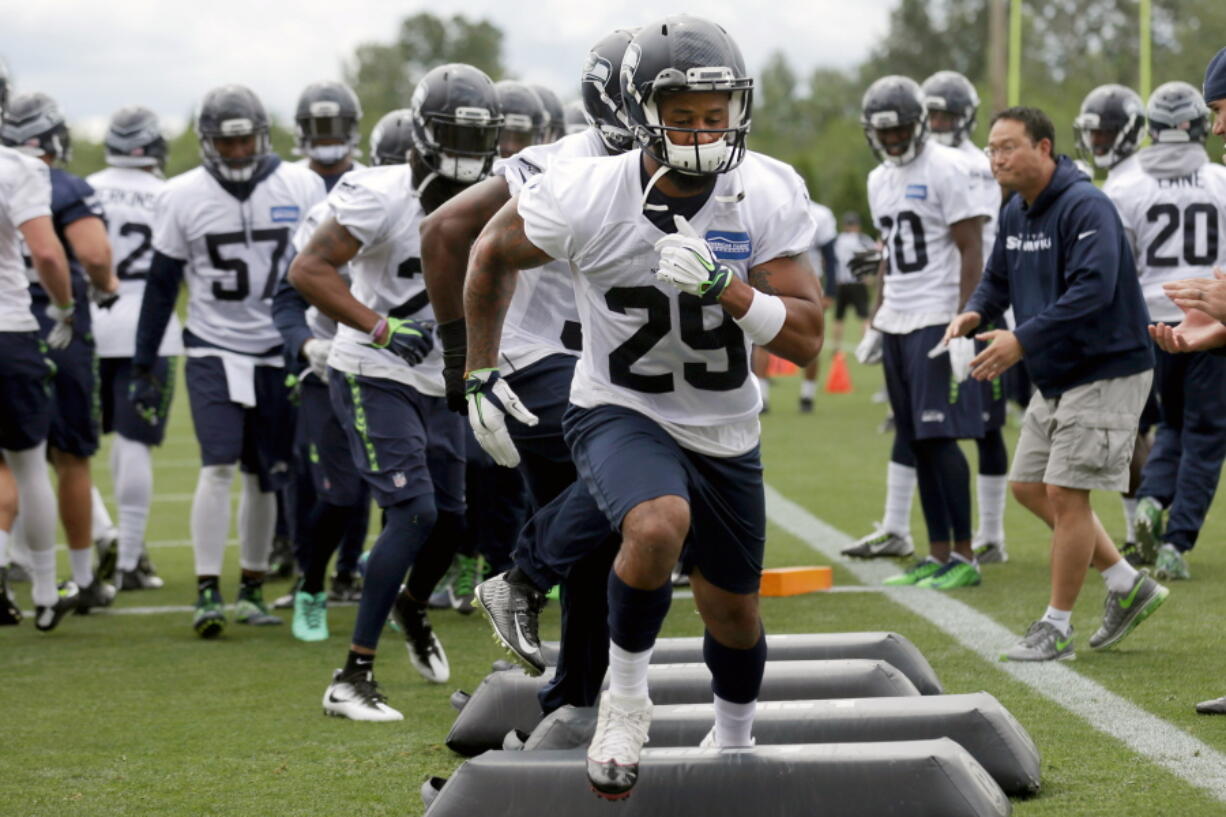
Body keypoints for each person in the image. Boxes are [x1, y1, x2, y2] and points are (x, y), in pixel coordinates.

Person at [463, 15, 822, 798]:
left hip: (725, 424)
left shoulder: (765, 188)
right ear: (638, 115)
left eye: (715, 112)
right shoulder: (586, 190)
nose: (703, 129)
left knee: (734, 614)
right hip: (617, 404)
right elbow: (487, 251)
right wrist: (479, 372)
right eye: (683, 115)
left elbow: (806, 341)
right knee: (656, 521)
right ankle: (625, 704)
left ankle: (735, 744)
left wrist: (728, 289)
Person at [422, 27, 635, 712]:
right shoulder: (562, 162)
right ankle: (520, 576)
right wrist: (465, 360)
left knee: (596, 544)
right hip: (537, 359)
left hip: (584, 363)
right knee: (645, 471)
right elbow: (446, 232)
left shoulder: (659, 163)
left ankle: (572, 701)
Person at [289, 62, 504, 720]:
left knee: (454, 520)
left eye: (478, 141)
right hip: (375, 368)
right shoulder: (379, 194)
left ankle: (411, 604)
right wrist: (379, 326)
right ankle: (351, 675)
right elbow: (308, 268)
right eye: (453, 139)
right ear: (422, 134)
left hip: (438, 372)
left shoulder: (496, 193)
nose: (467, 157)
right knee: (412, 511)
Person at [945, 106, 1167, 661]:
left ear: (1044, 148)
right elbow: (997, 278)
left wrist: (1021, 341)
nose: (996, 158)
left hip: (1108, 367)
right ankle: (1124, 581)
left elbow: (1093, 290)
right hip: (1059, 371)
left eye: (1008, 147)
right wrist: (974, 312)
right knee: (1029, 486)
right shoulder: (1017, 211)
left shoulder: (1086, 204)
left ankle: (1056, 627)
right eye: (992, 149)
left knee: (1068, 495)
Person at [133, 84, 325, 638]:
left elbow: (326, 263)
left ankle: (250, 587)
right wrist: (145, 362)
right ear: (208, 142)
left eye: (245, 141)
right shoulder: (180, 195)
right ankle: (206, 591)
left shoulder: (301, 183)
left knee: (268, 476)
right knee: (217, 465)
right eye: (226, 142)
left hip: (281, 346)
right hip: (213, 345)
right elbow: (162, 284)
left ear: (262, 138)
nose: (238, 152)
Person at [845, 76, 992, 591]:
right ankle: (937, 552)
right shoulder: (878, 179)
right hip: (900, 319)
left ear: (921, 123)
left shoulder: (949, 168)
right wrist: (876, 317)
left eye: (900, 128)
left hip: (936, 315)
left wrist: (964, 323)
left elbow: (972, 249)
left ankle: (966, 555)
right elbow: (888, 253)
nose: (891, 139)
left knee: (939, 437)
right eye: (883, 131)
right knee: (914, 438)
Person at [1, 92, 121, 612]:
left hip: (22, 327)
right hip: (46, 327)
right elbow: (91, 254)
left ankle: (16, 565)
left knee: (13, 463)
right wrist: (98, 287)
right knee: (66, 457)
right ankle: (77, 577)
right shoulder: (59, 183)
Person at [1103, 82, 1226, 584]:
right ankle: (1177, 541)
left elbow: (1116, 269)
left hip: (1153, 322)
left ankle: (1152, 498)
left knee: (1170, 424)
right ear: (1199, 124)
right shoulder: (1221, 180)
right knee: (1206, 433)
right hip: (1214, 322)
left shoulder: (1125, 185)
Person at [270, 80, 369, 603]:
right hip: (316, 355)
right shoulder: (289, 188)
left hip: (381, 353)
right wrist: (304, 345)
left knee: (364, 475)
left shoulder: (378, 186)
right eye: (318, 128)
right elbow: (283, 291)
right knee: (308, 472)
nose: (328, 139)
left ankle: (350, 569)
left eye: (336, 128)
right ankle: (303, 560)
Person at [87, 106, 178, 591]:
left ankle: (104, 536)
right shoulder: (169, 193)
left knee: (65, 449)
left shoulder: (88, 187)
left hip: (91, 323)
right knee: (135, 439)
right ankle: (129, 559)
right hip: (153, 326)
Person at [0, 142, 78, 629]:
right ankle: (47, 593)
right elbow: (47, 252)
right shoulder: (18, 167)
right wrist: (65, 307)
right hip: (8, 330)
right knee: (28, 466)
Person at [1074, 83, 1154, 552]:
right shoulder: (1135, 178)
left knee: (1135, 432)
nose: (1098, 142)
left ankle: (1144, 529)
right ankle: (1142, 529)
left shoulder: (1123, 186)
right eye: (1093, 134)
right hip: (1174, 314)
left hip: (1138, 318)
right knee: (1152, 433)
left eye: (1106, 133)